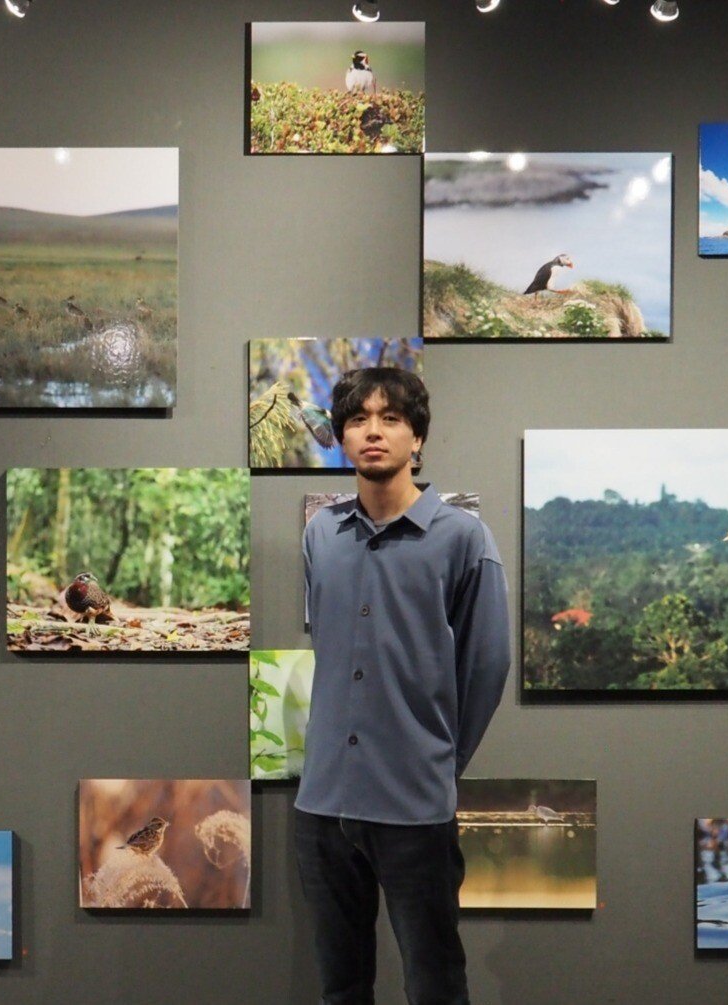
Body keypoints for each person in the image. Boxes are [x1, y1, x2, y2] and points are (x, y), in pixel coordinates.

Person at [294, 367, 512, 1005]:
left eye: (391, 418)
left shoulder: (463, 539)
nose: (373, 432)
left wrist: (438, 761)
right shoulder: (320, 535)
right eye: (359, 419)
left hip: (415, 807)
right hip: (324, 805)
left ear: (417, 438)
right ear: (341, 437)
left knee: (436, 986)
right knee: (341, 987)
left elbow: (486, 667)